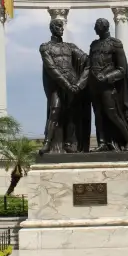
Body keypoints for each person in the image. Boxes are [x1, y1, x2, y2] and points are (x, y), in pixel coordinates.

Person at [79, 18, 128, 151]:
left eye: (97, 26)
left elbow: (122, 69)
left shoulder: (115, 44)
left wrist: (106, 77)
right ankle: (103, 143)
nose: (95, 28)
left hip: (108, 87)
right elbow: (90, 64)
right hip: (94, 86)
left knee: (112, 114)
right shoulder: (94, 45)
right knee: (98, 114)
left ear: (104, 27)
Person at [39, 19, 90, 154]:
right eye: (58, 26)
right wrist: (67, 85)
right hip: (58, 85)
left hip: (73, 83)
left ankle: (69, 143)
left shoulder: (70, 47)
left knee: (72, 113)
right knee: (54, 111)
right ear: (52, 28)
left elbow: (87, 60)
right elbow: (51, 69)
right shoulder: (45, 47)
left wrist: (80, 83)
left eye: (62, 26)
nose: (61, 28)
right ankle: (47, 143)